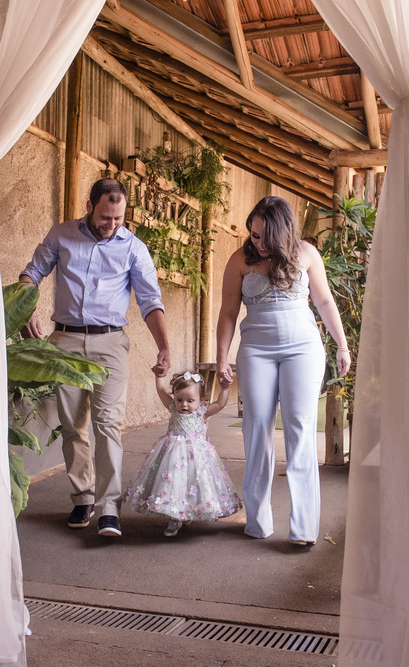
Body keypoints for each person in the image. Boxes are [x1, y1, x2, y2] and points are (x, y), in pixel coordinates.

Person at [19, 178, 171, 537]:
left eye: (118, 219)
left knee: (108, 426)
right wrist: (26, 308)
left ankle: (108, 508)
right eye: (105, 217)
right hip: (65, 341)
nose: (112, 225)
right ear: (90, 206)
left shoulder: (134, 248)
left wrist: (163, 345)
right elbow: (31, 273)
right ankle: (83, 496)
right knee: (72, 427)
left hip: (110, 344)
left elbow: (150, 301)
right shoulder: (61, 235)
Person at [215, 195, 351, 545]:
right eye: (253, 234)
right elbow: (228, 312)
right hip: (256, 351)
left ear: (281, 232)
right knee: (257, 427)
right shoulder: (239, 260)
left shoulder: (306, 254)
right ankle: (258, 521)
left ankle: (303, 528)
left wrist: (343, 345)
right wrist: (220, 357)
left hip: (303, 350)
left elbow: (323, 301)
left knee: (299, 429)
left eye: (262, 236)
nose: (255, 242)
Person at [124, 370, 242, 537]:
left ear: (201, 401)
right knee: (174, 484)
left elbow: (220, 404)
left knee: (194, 485)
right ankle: (175, 516)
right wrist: (159, 376)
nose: (184, 405)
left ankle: (188, 511)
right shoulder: (173, 408)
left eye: (190, 400)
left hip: (197, 458)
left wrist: (224, 389)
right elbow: (161, 391)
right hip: (173, 457)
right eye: (179, 400)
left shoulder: (202, 411)